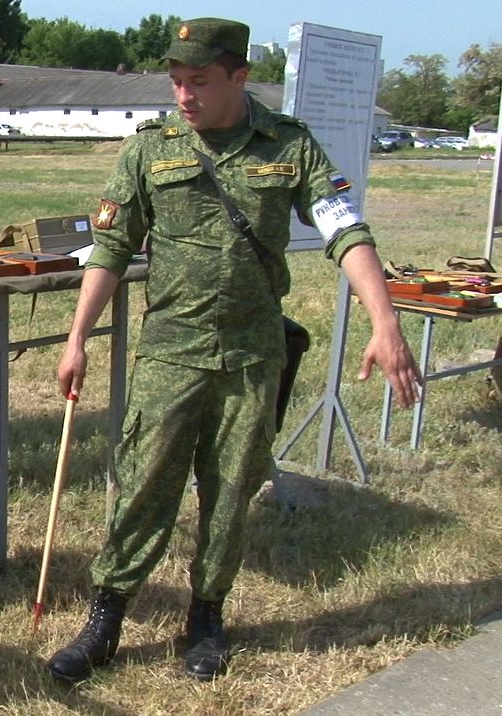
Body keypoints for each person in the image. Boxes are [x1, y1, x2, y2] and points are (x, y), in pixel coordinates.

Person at [46, 18, 422, 685]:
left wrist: (384, 319)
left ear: (239, 77)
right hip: (172, 353)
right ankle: (107, 617)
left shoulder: (290, 147)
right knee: (142, 487)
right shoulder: (150, 149)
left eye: (199, 82)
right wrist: (76, 339)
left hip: (251, 356)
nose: (183, 96)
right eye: (176, 81)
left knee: (229, 492)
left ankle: (207, 616)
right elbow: (110, 248)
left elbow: (345, 231)